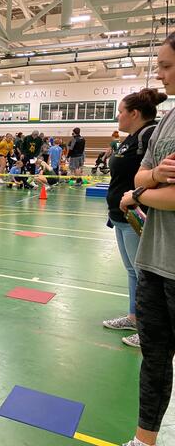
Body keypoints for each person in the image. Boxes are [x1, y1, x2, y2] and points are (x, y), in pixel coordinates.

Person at [118, 32, 175, 446]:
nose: (160, 73)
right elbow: (144, 173)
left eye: (168, 66)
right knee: (154, 359)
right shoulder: (169, 119)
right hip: (154, 259)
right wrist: (151, 181)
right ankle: (144, 441)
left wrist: (138, 194)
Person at [103, 88, 164, 349]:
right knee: (132, 272)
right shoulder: (131, 138)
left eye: (120, 111)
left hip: (137, 216)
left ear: (134, 113)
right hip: (120, 216)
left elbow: (157, 176)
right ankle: (134, 317)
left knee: (144, 275)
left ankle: (149, 329)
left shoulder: (150, 135)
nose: (118, 116)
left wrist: (138, 198)